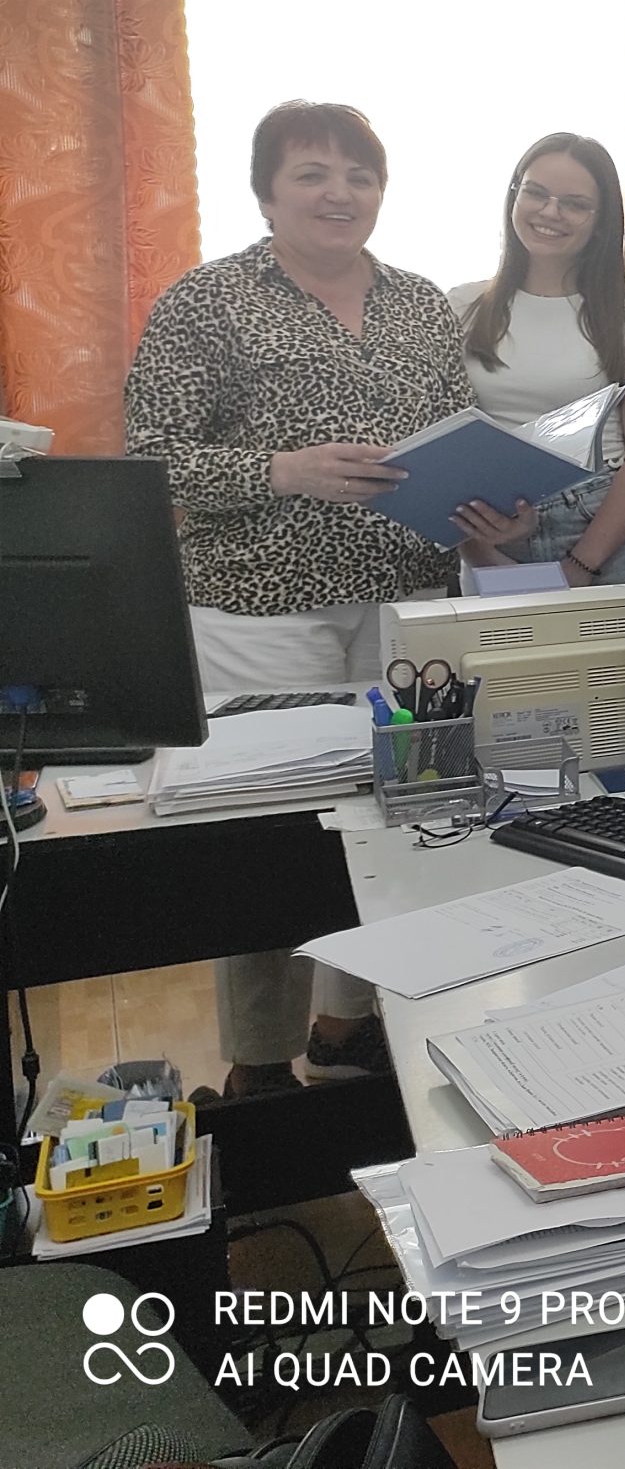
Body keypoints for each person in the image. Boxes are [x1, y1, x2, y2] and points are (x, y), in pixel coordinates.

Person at [124, 100, 479, 1097]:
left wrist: (481, 495)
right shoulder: (208, 300)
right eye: (312, 173)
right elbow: (150, 460)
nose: (339, 193)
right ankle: (259, 1061)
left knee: (405, 822)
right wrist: (282, 469)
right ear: (267, 192)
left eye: (359, 174)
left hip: (408, 604)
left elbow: (452, 435)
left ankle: (348, 1023)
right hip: (258, 613)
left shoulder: (421, 304)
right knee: (269, 844)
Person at [448, 134, 625, 584]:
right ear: (514, 196)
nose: (551, 212)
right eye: (536, 193)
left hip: (604, 533)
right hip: (489, 530)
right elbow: (444, 453)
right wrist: (483, 554)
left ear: (601, 221)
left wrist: (581, 566)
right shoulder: (459, 306)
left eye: (574, 204)